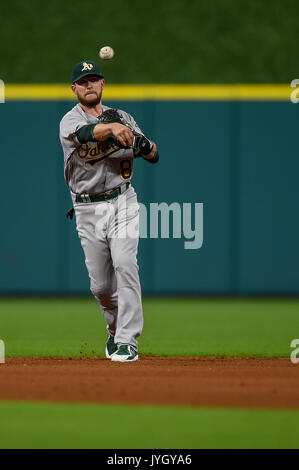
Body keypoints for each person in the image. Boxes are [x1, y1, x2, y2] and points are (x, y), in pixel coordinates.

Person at [59, 60, 159, 362]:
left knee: (126, 264)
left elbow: (153, 155)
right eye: (83, 81)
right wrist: (112, 128)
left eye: (94, 80)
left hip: (122, 201)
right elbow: (88, 133)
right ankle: (114, 330)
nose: (89, 85)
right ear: (74, 88)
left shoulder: (125, 117)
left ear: (103, 84)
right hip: (87, 207)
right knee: (101, 287)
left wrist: (141, 142)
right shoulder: (68, 121)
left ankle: (128, 340)